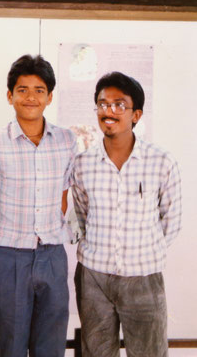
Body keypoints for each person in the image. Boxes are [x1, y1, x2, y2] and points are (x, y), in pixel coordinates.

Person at [71, 71, 182, 357]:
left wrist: (143, 252)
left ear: (136, 114)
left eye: (119, 104)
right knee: (96, 353)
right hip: (94, 276)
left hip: (143, 277)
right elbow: (81, 214)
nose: (109, 111)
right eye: (103, 103)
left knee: (149, 353)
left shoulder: (161, 162)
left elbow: (171, 221)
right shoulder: (83, 164)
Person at [0, 54, 77, 357]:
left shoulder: (66, 140)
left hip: (52, 255)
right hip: (9, 256)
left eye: (38, 90)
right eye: (22, 90)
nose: (30, 97)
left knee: (51, 344)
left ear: (49, 97)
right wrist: (6, 250)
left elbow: (63, 198)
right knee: (12, 344)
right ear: (10, 96)